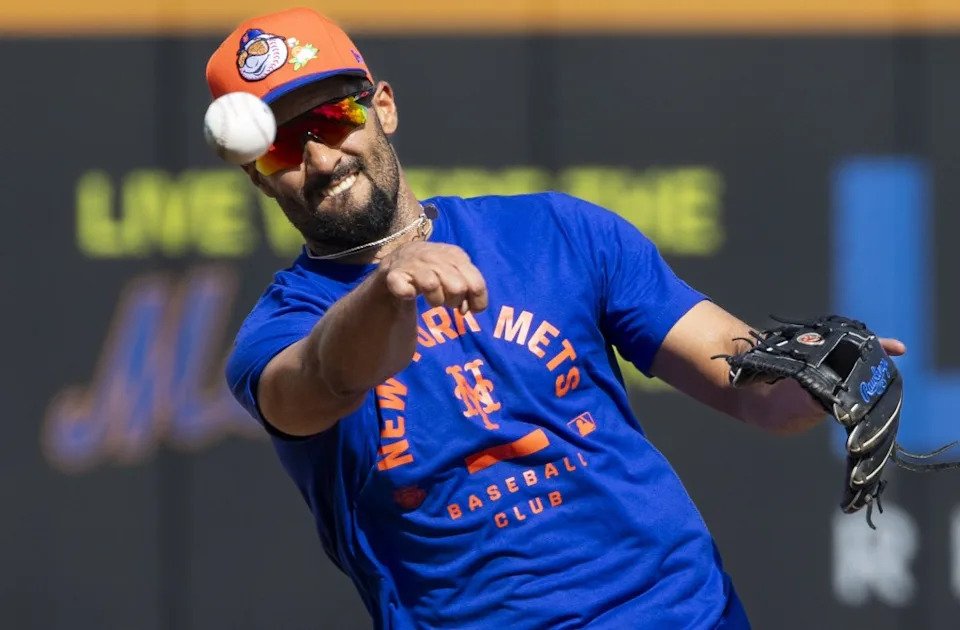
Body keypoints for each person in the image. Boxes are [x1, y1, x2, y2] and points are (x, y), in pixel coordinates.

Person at [209, 8, 904, 629]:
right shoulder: (283, 329)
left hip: (680, 613)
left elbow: (746, 383)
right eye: (282, 142)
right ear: (256, 173)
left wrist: (815, 382)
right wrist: (387, 288)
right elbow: (323, 381)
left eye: (335, 118)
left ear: (382, 107)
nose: (321, 157)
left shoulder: (556, 233)